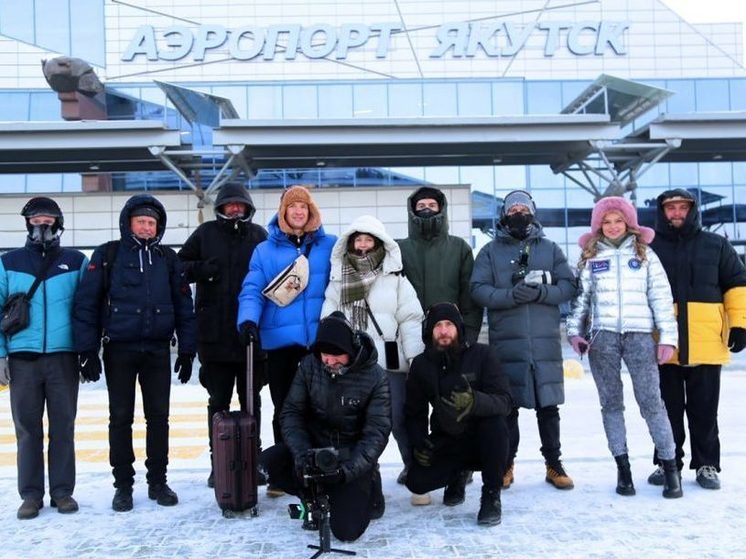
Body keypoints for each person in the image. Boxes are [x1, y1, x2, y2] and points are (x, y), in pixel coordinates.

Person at [73, 194, 196, 512]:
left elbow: (184, 305)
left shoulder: (168, 259)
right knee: (120, 419)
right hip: (119, 350)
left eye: (151, 223)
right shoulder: (108, 254)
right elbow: (86, 303)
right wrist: (87, 350)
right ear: (128, 224)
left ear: (159, 228)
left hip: (157, 351)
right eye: (140, 221)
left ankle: (158, 481)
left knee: (159, 419)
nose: (145, 227)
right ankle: (123, 486)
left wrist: (187, 349)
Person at [566, 196, 682, 498]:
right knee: (611, 404)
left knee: (652, 402)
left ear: (629, 223)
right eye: (607, 221)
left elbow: (661, 297)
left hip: (640, 337)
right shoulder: (591, 258)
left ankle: (671, 469)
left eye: (618, 220)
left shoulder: (645, 255)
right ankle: (623, 469)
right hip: (603, 338)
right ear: (599, 226)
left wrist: (668, 338)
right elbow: (581, 302)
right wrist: (574, 332)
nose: (613, 226)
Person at [470, 190, 576, 490]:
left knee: (548, 406)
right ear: (504, 214)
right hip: (506, 343)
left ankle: (554, 464)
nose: (518, 212)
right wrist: (509, 296)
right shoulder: (490, 252)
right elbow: (477, 289)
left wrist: (543, 293)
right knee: (508, 407)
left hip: (545, 344)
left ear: (533, 212)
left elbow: (569, 285)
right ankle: (506, 463)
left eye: (523, 208)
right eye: (513, 208)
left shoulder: (550, 248)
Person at [237, 185, 335, 497]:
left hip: (318, 343)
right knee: (285, 408)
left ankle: (321, 466)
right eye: (292, 207)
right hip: (280, 343)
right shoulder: (264, 251)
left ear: (311, 211)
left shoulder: (329, 245)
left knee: (322, 408)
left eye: (303, 207)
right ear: (283, 212)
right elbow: (252, 288)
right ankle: (284, 473)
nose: (297, 212)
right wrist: (248, 319)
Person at [259, 311, 391, 542]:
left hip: (351, 457)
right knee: (266, 464)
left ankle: (369, 485)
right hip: (315, 447)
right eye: (324, 355)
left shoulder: (376, 377)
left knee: (347, 532)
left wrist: (345, 473)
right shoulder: (309, 366)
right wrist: (302, 455)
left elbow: (376, 434)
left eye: (335, 355)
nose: (328, 361)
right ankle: (312, 495)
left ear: (350, 350)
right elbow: (291, 413)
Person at [646, 189, 746, 490]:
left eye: (682, 208)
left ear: (693, 211)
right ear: (662, 213)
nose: (676, 213)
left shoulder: (716, 245)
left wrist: (740, 324)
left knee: (704, 410)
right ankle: (668, 463)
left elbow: (737, 284)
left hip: (706, 342)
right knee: (666, 409)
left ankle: (706, 465)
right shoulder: (648, 248)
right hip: (664, 344)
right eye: (670, 208)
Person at [321, 215, 425, 503]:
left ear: (380, 243)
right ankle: (367, 473)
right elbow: (329, 320)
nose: (363, 245)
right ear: (350, 244)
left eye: (369, 239)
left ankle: (414, 468)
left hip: (391, 363)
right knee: (357, 423)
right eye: (358, 239)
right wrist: (332, 355)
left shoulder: (395, 280)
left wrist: (416, 357)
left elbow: (411, 319)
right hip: (354, 367)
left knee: (400, 419)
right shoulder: (338, 281)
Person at [0, 197, 87, 519]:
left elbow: (86, 310)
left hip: (63, 357)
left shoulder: (76, 261)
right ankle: (31, 495)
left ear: (59, 223)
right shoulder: (9, 262)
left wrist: (88, 352)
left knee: (63, 426)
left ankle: (63, 492)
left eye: (48, 219)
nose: (42, 224)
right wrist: (1, 355)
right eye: (36, 219)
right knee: (27, 429)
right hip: (22, 358)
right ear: (27, 223)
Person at [177, 182, 268, 488]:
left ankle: (252, 461)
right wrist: (203, 270)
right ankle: (221, 462)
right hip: (214, 337)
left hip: (249, 338)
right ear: (220, 208)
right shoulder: (205, 235)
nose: (234, 210)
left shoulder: (258, 236)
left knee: (251, 401)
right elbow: (179, 266)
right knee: (218, 401)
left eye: (240, 206)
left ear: (247, 208)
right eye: (229, 206)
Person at [404, 303, 512, 526]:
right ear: (429, 331)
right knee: (416, 481)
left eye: (449, 325)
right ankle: (458, 474)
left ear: (459, 329)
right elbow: (415, 413)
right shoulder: (422, 365)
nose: (444, 331)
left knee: (496, 424)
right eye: (438, 326)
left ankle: (491, 494)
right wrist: (420, 444)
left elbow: (506, 401)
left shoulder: (483, 355)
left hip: (485, 440)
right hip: (448, 438)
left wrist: (475, 401)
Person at [397, 187, 482, 344]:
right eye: (421, 206)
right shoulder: (399, 250)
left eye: (432, 205)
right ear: (412, 210)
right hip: (409, 336)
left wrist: (468, 335)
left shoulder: (459, 248)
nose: (427, 209)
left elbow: (470, 299)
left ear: (441, 209)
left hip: (449, 335)